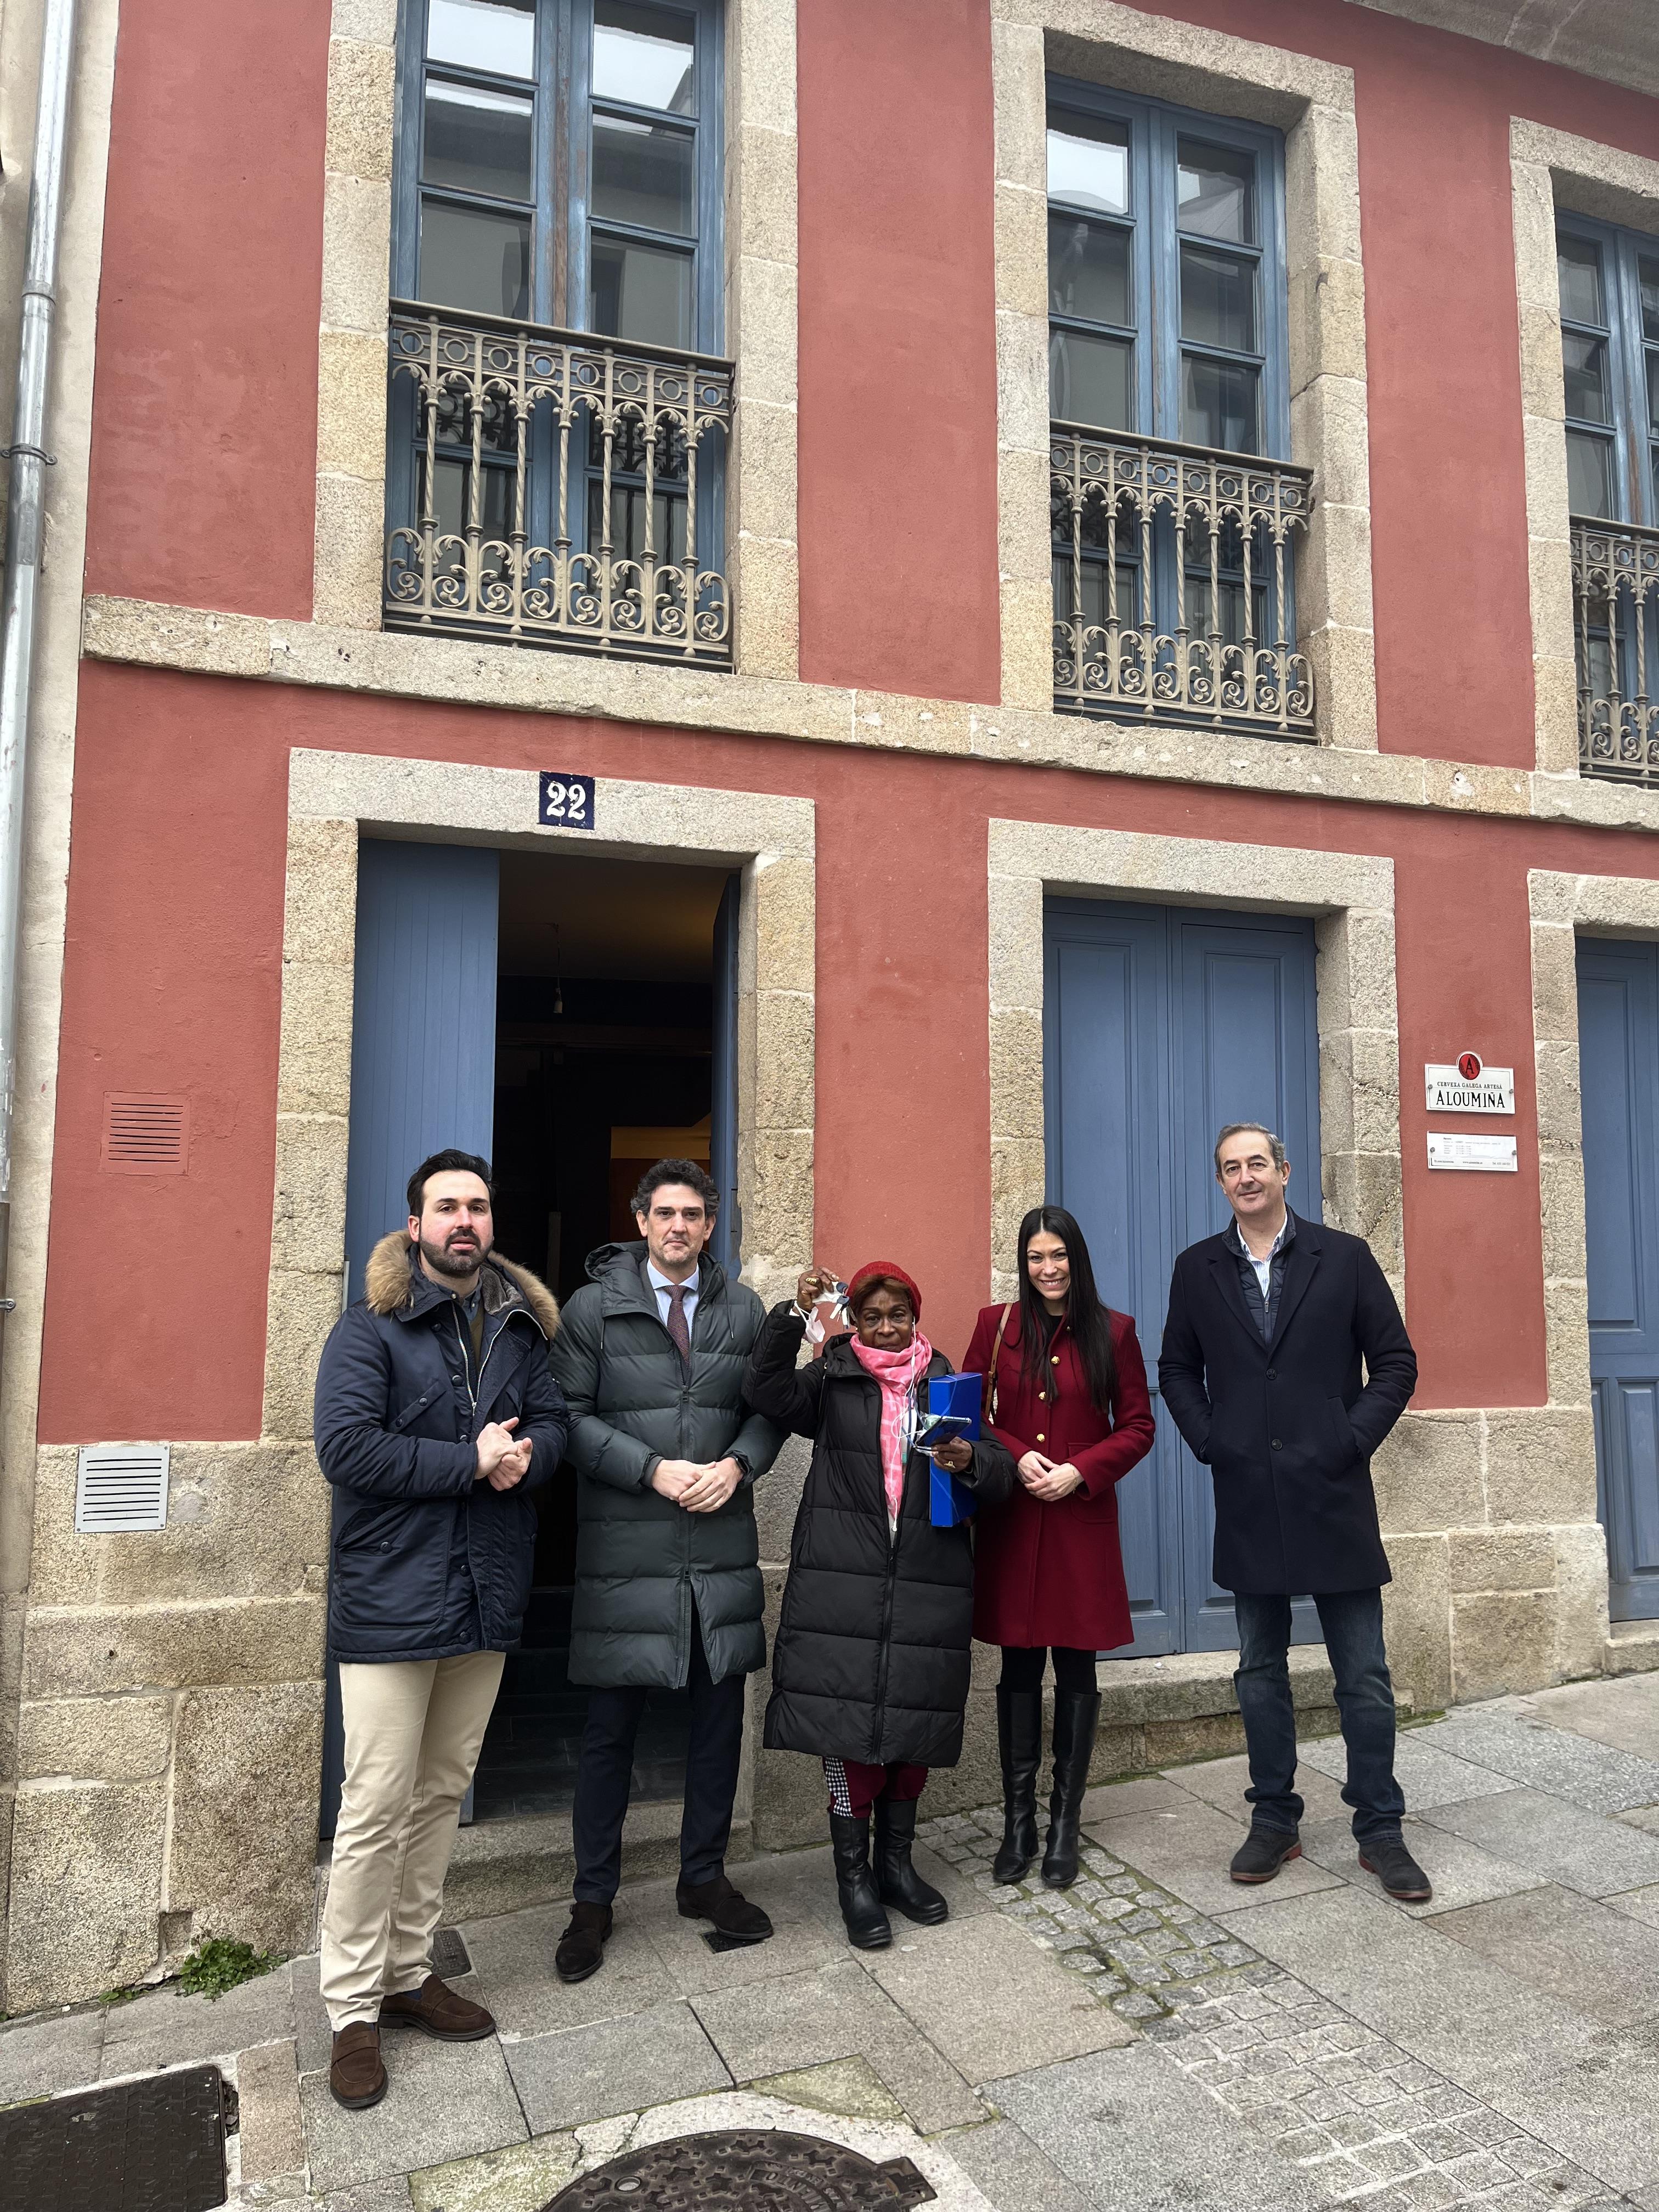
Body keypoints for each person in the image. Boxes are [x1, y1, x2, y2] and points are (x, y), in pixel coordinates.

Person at [313, 1150, 568, 2112]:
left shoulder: (519, 1326)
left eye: (479, 1206)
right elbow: (345, 1448)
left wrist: (530, 1454)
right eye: (447, 1206)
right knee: (375, 1804)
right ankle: (350, 2009)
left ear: (492, 1224)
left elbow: (555, 1423)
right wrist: (469, 1460)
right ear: (415, 1224)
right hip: (392, 1597)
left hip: (485, 1592)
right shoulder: (367, 1327)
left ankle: (408, 1973)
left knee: (439, 1796)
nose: (466, 1220)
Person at [1158, 1122, 1426, 1901]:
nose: (1245, 1177)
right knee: (1259, 1670)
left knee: (1364, 1674)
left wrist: (1349, 1439)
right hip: (1248, 1494)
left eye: (1257, 1164)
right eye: (1230, 1168)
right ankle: (1274, 1817)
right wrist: (1214, 1441)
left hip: (1334, 1492)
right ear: (1221, 1183)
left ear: (1284, 1171)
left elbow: (1396, 1362)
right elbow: (1177, 1368)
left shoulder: (1344, 1257)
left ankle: (1381, 1826)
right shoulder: (1197, 1268)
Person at [549, 1158, 785, 1983]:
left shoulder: (744, 1310)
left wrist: (741, 1465)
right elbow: (566, 1418)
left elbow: (768, 1411)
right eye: (665, 1214)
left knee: (718, 1726)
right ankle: (592, 1902)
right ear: (641, 1221)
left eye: (693, 1215)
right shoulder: (592, 1309)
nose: (679, 1226)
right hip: (627, 1557)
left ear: (710, 1226)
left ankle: (704, 1879)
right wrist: (649, 1469)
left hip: (717, 1553)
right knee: (609, 1735)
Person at [746, 1262, 1017, 1949]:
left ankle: (896, 1867)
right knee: (848, 1740)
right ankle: (854, 1880)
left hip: (928, 1582)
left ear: (915, 1318)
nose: (888, 1327)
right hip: (845, 1582)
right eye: (873, 1317)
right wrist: (792, 1315)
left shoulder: (946, 1384)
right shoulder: (831, 1380)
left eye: (899, 1315)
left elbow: (999, 1472)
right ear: (856, 1322)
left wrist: (971, 1462)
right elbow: (765, 1390)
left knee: (911, 1735)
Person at [963, 1206, 1157, 1889]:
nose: (1048, 1269)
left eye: (1058, 1256)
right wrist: (1017, 1455)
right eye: (1036, 1258)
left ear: (1077, 1257)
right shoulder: (996, 1326)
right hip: (1016, 1519)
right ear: (1023, 1263)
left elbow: (1138, 1426)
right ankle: (1018, 1822)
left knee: (1077, 1671)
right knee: (1018, 1669)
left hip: (1080, 1521)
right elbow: (968, 1411)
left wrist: (1081, 1469)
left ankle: (1064, 1824)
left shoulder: (1115, 1331)